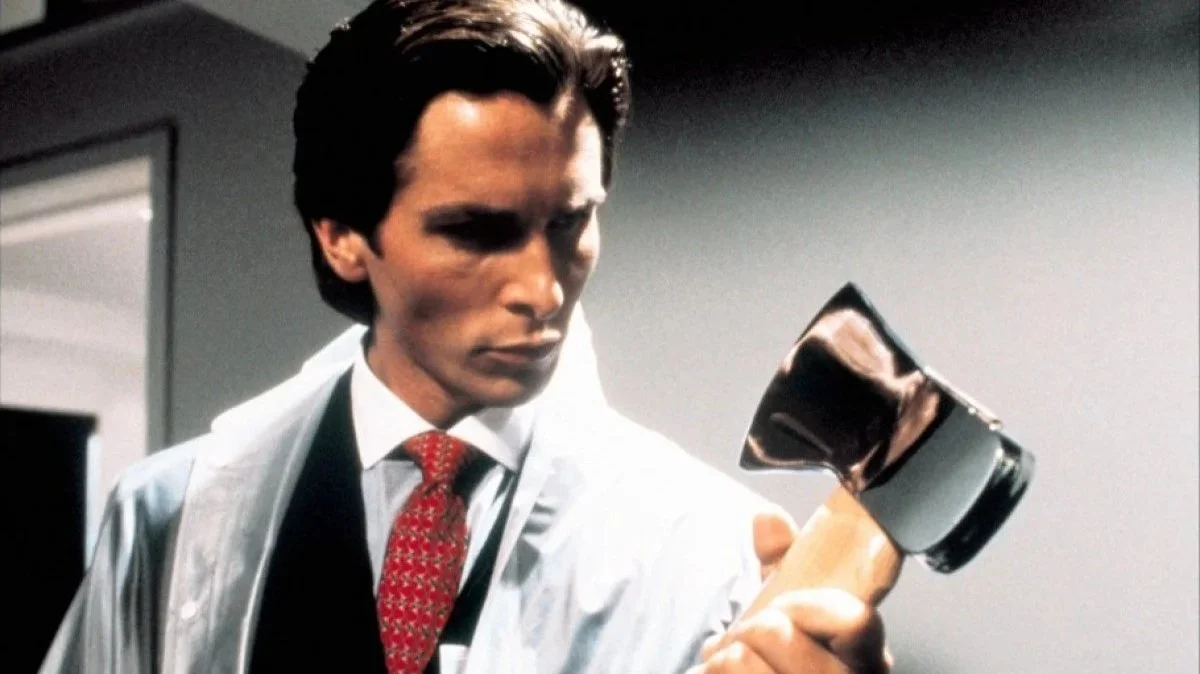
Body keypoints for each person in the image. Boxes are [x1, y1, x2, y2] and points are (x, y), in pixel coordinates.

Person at [39, 1, 891, 672]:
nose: (543, 291)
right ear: (343, 237)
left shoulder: (710, 544)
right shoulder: (172, 519)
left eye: (570, 222)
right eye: (477, 231)